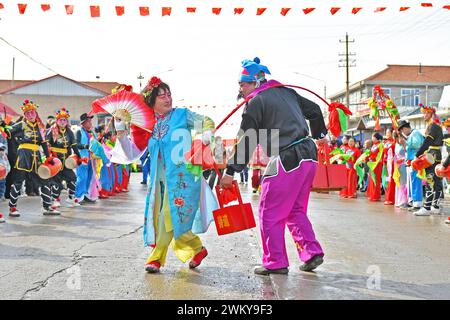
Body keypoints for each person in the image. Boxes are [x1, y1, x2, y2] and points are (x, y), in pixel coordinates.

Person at [220, 57, 327, 275]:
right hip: (308, 155)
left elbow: (247, 138)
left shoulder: (257, 101)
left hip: (287, 158)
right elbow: (315, 109)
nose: (240, 88)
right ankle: (311, 252)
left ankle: (275, 261)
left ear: (255, 82)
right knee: (295, 209)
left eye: (243, 84)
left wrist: (231, 171)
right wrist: (320, 134)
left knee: (269, 211)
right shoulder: (286, 92)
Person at [113, 76, 217, 273]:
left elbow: (206, 121)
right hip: (159, 182)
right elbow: (131, 153)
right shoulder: (146, 125)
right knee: (164, 217)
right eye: (162, 96)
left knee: (170, 215)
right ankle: (197, 248)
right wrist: (121, 133)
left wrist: (207, 132)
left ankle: (156, 258)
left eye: (169, 94)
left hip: (183, 178)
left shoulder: (182, 115)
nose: (167, 99)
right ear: (152, 101)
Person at [3, 99, 59, 216]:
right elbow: (8, 131)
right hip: (23, 155)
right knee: (18, 181)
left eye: (32, 112)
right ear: (25, 115)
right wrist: (4, 126)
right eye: (28, 113)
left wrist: (48, 158)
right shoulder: (21, 124)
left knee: (44, 180)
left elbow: (43, 143)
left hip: (36, 156)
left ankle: (47, 206)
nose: (30, 115)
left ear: (36, 113)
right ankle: (12, 207)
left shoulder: (40, 127)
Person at [46, 108, 83, 207]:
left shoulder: (69, 132)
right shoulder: (52, 131)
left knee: (72, 178)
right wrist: (48, 156)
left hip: (66, 161)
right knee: (56, 181)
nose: (62, 122)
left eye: (64, 120)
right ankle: (55, 199)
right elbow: (46, 145)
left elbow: (74, 146)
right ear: (57, 121)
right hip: (55, 160)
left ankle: (70, 199)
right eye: (60, 120)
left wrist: (79, 157)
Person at [414, 105, 444, 216]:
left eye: (426, 113)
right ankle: (435, 206)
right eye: (424, 113)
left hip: (432, 155)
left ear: (431, 114)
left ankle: (427, 207)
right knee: (436, 181)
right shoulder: (436, 125)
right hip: (436, 154)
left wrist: (418, 154)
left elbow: (427, 142)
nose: (424, 115)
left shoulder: (433, 126)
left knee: (430, 181)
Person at [397, 120, 424, 212]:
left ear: (405, 128)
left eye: (402, 130)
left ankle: (417, 202)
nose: (402, 132)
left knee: (416, 181)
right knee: (412, 181)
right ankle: (413, 201)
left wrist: (406, 143)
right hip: (411, 161)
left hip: (416, 160)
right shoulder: (411, 135)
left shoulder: (415, 133)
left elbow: (418, 145)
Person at [75, 113, 98, 204]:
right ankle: (78, 196)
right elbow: (76, 144)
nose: (90, 123)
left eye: (90, 121)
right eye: (88, 121)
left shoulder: (92, 133)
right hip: (82, 158)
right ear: (83, 123)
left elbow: (96, 144)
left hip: (92, 159)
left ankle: (86, 195)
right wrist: (85, 146)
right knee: (82, 177)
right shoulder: (79, 132)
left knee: (89, 177)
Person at [366, 132, 384, 202]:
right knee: (371, 179)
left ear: (376, 137)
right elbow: (371, 153)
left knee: (376, 180)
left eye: (373, 137)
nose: (372, 138)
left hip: (377, 165)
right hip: (372, 164)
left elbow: (380, 155)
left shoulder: (380, 145)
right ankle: (371, 194)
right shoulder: (373, 145)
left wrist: (373, 158)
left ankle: (376, 195)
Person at [393, 131, 408, 208]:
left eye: (400, 137)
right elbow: (396, 155)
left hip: (405, 164)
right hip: (398, 166)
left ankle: (405, 201)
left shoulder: (405, 143)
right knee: (399, 183)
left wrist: (404, 145)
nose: (399, 139)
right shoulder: (396, 144)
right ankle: (399, 200)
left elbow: (407, 153)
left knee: (404, 183)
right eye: (397, 137)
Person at [383, 128, 396, 205]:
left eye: (388, 132)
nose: (387, 134)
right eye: (386, 132)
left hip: (392, 163)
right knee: (387, 180)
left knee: (391, 180)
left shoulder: (394, 142)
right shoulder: (386, 142)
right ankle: (388, 197)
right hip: (386, 162)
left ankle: (391, 198)